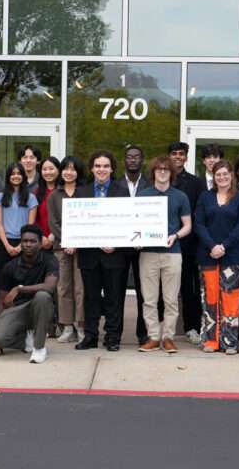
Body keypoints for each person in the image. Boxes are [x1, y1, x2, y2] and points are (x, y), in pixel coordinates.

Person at [135, 156, 192, 353]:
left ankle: (168, 337)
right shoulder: (142, 196)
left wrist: (175, 236)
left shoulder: (180, 196)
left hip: (172, 253)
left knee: (171, 299)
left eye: (166, 169)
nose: (162, 172)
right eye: (158, 169)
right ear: (153, 172)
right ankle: (153, 337)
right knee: (149, 299)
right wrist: (136, 240)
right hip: (148, 253)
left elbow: (188, 226)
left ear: (171, 173)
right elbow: (135, 225)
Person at [195, 159, 239, 354]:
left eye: (225, 174)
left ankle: (230, 342)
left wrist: (224, 246)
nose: (222, 177)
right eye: (218, 174)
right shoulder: (205, 197)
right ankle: (211, 341)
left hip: (233, 257)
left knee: (231, 299)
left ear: (232, 175)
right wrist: (212, 246)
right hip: (208, 255)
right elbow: (199, 224)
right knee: (209, 298)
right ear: (213, 177)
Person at [75, 151, 128, 351]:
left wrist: (117, 242)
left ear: (112, 169)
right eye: (97, 166)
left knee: (114, 298)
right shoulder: (82, 192)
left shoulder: (121, 192)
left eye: (105, 166)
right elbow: (77, 224)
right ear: (91, 169)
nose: (101, 170)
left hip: (113, 254)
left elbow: (126, 222)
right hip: (89, 255)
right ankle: (90, 336)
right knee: (91, 298)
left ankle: (112, 338)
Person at [0, 224, 59, 363]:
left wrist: (20, 288)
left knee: (42, 296)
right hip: (19, 309)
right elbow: (1, 300)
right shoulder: (10, 266)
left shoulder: (50, 260)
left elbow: (49, 286)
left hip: (41, 308)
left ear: (40, 244)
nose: (28, 244)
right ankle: (25, 337)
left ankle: (39, 347)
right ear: (20, 243)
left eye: (32, 241)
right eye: (25, 241)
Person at [168, 141, 207, 345]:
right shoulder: (159, 180)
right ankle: (163, 328)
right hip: (162, 244)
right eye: (174, 153)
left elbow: (199, 214)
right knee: (164, 289)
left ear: (186, 157)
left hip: (189, 244)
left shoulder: (196, 182)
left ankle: (192, 327)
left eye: (181, 154)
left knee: (189, 288)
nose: (177, 157)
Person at [0, 163, 38, 329]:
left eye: (19, 173)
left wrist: (20, 246)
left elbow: (30, 225)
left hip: (24, 244)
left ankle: (21, 325)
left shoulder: (31, 197)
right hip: (3, 243)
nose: (16, 176)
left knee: (21, 285)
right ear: (8, 176)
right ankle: (0, 324)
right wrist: (6, 244)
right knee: (1, 285)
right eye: (13, 173)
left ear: (24, 176)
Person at [46, 155, 85, 343]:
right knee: (63, 287)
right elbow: (53, 223)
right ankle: (67, 326)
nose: (69, 172)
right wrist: (67, 241)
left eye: (73, 169)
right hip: (61, 247)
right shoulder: (55, 194)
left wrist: (76, 241)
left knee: (81, 287)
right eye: (66, 169)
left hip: (82, 247)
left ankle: (81, 325)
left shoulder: (84, 192)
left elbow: (89, 220)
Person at [119, 145, 154, 345]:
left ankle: (143, 333)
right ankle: (115, 333)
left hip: (144, 248)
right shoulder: (115, 185)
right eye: (129, 157)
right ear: (125, 160)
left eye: (137, 157)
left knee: (144, 293)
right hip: (120, 248)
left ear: (142, 160)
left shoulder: (151, 185)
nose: (133, 160)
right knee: (116, 292)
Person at [33, 157, 62, 252]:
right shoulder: (36, 193)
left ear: (58, 170)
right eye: (44, 169)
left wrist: (53, 236)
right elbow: (34, 219)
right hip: (41, 242)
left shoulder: (64, 192)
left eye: (51, 169)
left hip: (61, 241)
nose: (48, 172)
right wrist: (41, 236)